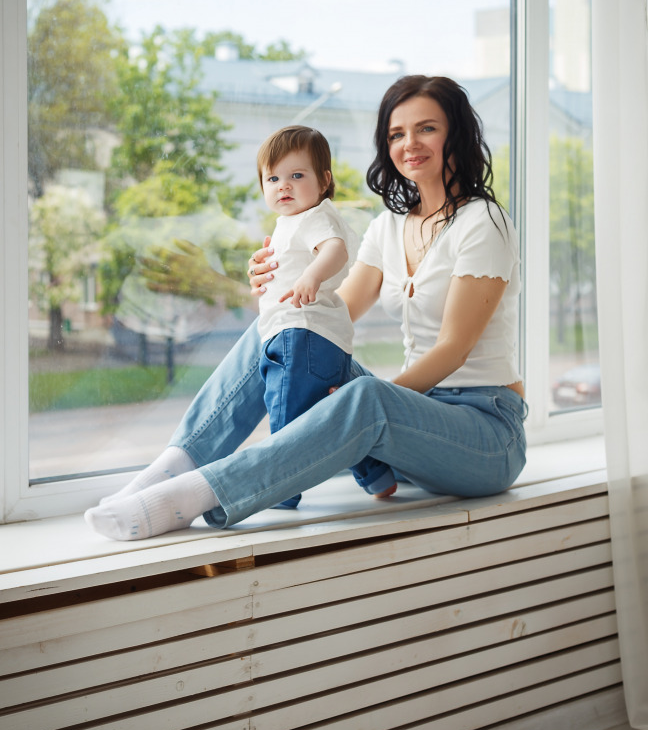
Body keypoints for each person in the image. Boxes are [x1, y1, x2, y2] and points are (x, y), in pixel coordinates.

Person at [85, 74, 527, 541]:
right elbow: (332, 312)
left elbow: (454, 348)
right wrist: (279, 290)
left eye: (427, 129)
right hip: (415, 430)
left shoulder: (484, 221)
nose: (409, 143)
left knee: (368, 397)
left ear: (455, 133)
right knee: (286, 328)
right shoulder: (389, 228)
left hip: (485, 434)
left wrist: (371, 404)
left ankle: (195, 495)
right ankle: (173, 466)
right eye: (397, 133)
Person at [255, 124, 396, 507]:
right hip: (313, 337)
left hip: (300, 335)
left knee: (286, 413)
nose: (284, 185)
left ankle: (280, 491)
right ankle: (377, 475)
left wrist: (311, 276)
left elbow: (334, 250)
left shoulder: (314, 216)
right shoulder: (290, 222)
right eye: (273, 178)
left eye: (297, 176)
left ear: (324, 181)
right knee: (330, 411)